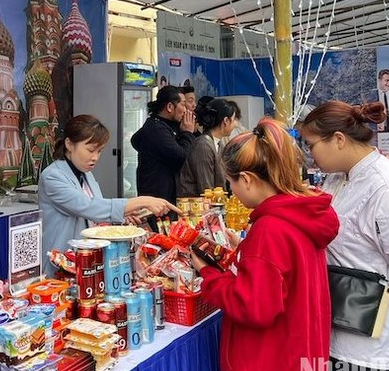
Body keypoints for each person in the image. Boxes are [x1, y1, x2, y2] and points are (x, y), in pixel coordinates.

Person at [191, 118, 340, 371]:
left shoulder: (270, 229)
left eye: (231, 182)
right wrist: (244, 251)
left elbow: (255, 307)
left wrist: (209, 275)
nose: (232, 190)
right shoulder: (302, 215)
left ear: (246, 179)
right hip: (298, 366)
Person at [301, 101, 389, 371]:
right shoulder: (339, 179)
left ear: (338, 140)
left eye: (311, 145)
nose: (311, 155)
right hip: (339, 323)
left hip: (371, 337)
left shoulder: (387, 189)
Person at [39, 114, 177, 276]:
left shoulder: (85, 174)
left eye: (99, 151)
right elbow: (87, 206)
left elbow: (97, 210)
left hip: (87, 261)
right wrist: (141, 201)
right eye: (90, 150)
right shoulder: (52, 176)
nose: (95, 157)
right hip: (62, 262)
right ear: (69, 144)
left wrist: (123, 215)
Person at [131, 85, 196, 205]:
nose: (186, 110)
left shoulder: (163, 125)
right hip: (157, 198)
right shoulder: (156, 129)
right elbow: (181, 157)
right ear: (170, 107)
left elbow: (135, 140)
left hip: (165, 195)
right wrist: (187, 133)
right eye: (183, 104)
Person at [177, 98, 239, 197]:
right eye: (234, 119)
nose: (236, 124)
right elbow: (206, 189)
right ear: (226, 121)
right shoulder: (203, 145)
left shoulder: (218, 144)